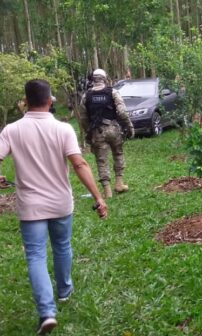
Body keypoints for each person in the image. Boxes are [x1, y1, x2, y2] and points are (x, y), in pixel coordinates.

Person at [0, 79, 108, 334]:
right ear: (50, 101)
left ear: (25, 102)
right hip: (60, 203)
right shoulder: (64, 129)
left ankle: (46, 312)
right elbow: (80, 164)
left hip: (30, 207)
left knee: (36, 255)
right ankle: (64, 291)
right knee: (62, 246)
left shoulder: (11, 130)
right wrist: (98, 197)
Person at [78, 68, 134, 198]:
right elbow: (122, 112)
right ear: (105, 78)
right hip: (113, 129)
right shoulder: (113, 92)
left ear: (93, 79)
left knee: (101, 160)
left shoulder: (86, 96)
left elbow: (83, 118)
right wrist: (129, 126)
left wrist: (89, 132)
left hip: (97, 132)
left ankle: (107, 191)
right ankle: (119, 184)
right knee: (118, 154)